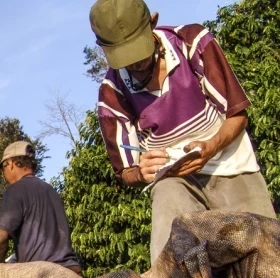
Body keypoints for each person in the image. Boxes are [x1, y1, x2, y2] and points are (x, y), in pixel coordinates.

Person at [89, 0, 276, 263]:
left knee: (268, 259)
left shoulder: (193, 43)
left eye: (137, 50)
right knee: (173, 261)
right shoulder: (112, 93)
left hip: (231, 164)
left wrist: (210, 147)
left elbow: (238, 115)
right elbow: (125, 171)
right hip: (174, 179)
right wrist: (141, 171)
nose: (135, 63)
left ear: (152, 23)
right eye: (124, 56)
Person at [0, 141, 82, 275]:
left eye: (3, 168)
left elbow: (0, 238)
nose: (4, 174)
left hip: (42, 277)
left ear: (10, 163)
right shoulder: (51, 191)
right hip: (72, 271)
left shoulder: (15, 190)